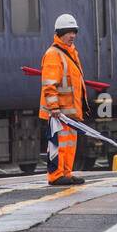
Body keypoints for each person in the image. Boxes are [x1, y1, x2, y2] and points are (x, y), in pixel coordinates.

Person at [39, 13, 88, 186]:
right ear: (59, 33)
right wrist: (54, 108)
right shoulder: (54, 54)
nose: (72, 35)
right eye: (68, 32)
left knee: (68, 145)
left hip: (70, 113)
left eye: (74, 32)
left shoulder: (72, 53)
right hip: (58, 113)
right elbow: (49, 84)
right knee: (58, 145)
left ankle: (65, 173)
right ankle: (56, 175)